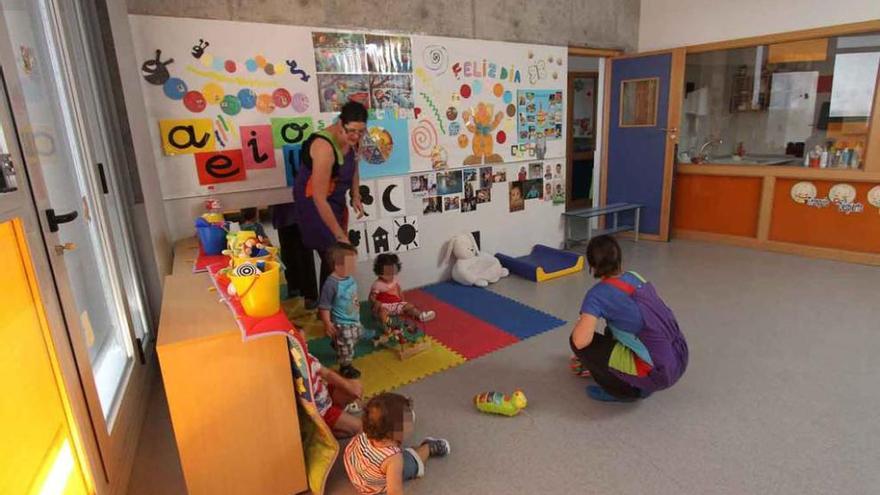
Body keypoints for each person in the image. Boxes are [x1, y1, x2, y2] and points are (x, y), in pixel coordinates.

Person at [570, 235, 688, 402]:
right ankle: (628, 372)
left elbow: (580, 341)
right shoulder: (635, 277)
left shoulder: (596, 295)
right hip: (678, 359)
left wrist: (582, 322)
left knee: (576, 340)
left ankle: (624, 389)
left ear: (592, 266)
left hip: (655, 374)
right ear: (619, 259)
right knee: (610, 328)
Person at [295, 101, 367, 292]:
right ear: (340, 123)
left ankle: (328, 308)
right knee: (338, 256)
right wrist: (339, 234)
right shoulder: (323, 147)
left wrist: (356, 194)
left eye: (361, 131)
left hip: (335, 199)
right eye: (352, 131)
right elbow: (319, 197)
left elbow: (354, 167)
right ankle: (329, 311)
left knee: (335, 258)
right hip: (313, 202)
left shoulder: (355, 139)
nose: (356, 136)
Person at [344, 393, 450, 495]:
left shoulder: (368, 428)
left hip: (356, 472)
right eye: (408, 422)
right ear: (394, 433)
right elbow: (394, 491)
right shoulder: (394, 459)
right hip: (372, 486)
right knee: (411, 463)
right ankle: (428, 447)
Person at [318, 243, 364, 379]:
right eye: (351, 264)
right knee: (347, 346)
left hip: (354, 317)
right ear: (337, 265)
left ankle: (337, 342)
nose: (354, 267)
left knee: (357, 336)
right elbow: (324, 306)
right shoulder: (331, 284)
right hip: (342, 322)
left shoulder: (348, 277)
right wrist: (327, 323)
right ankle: (345, 366)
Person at [304, 348, 363, 437]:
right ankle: (321, 432)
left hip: (324, 395)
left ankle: (340, 415)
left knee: (356, 386)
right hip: (320, 411)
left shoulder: (305, 355)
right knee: (359, 427)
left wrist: (349, 387)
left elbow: (326, 373)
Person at [370, 254, 435, 325]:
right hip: (385, 307)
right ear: (379, 273)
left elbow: (399, 290)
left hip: (396, 305)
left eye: (392, 273)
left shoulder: (394, 280)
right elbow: (371, 297)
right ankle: (387, 325)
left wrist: (402, 301)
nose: (390, 276)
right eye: (387, 274)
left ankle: (421, 315)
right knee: (382, 313)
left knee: (410, 306)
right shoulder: (377, 284)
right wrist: (376, 304)